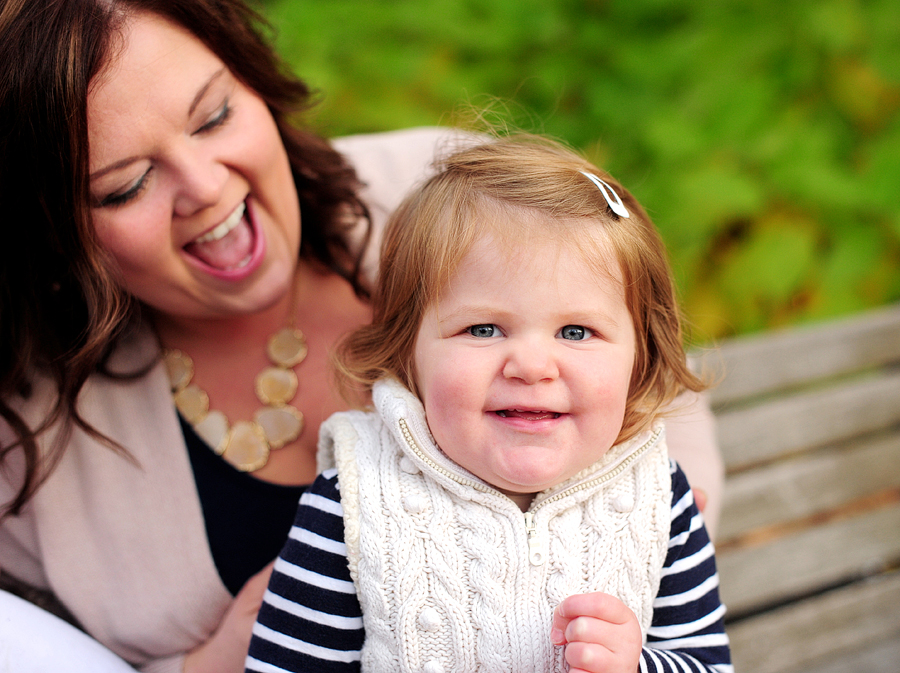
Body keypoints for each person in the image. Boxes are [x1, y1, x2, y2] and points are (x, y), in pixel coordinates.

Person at [0, 1, 722, 671]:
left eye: (214, 115)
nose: (205, 185)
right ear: (54, 230)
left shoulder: (466, 200)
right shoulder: (348, 495)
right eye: (125, 184)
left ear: (256, 88)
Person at [245, 138, 731, 673]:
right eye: (482, 328)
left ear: (639, 358)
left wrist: (638, 667)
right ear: (408, 352)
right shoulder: (355, 504)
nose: (531, 365)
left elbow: (707, 662)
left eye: (576, 331)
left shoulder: (659, 499)